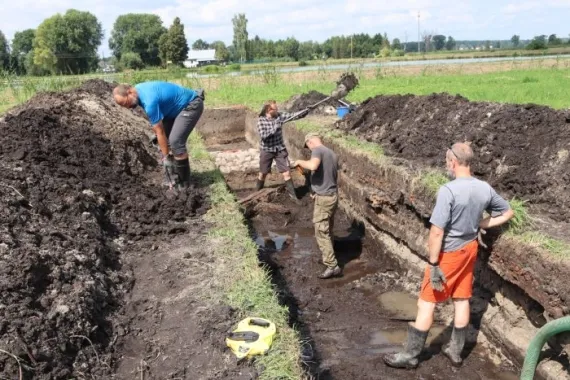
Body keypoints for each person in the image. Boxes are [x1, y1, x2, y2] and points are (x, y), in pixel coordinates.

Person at [383, 142, 514, 369]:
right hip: (470, 249)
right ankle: (455, 351)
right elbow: (508, 212)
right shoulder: (484, 188)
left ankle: (410, 355)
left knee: (426, 302)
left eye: (447, 161)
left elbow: (437, 231)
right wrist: (482, 222)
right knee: (462, 298)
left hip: (449, 254)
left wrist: (434, 263)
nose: (447, 165)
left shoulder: (449, 190)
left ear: (453, 162)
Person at [113, 81, 205, 189]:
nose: (127, 107)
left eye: (125, 103)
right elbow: (159, 129)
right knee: (164, 142)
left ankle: (184, 183)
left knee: (175, 141)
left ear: (130, 92)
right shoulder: (138, 92)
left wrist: (165, 158)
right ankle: (173, 178)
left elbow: (159, 130)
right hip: (174, 110)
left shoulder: (149, 101)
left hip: (191, 104)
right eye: (123, 106)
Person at [293, 133, 341, 279]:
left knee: (321, 231)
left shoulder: (318, 150)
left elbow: (313, 165)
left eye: (307, 145)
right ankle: (330, 257)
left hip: (324, 198)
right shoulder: (331, 153)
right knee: (328, 229)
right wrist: (316, 190)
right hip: (331, 195)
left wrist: (299, 162)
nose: (308, 148)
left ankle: (332, 266)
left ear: (310, 142)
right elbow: (327, 175)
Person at [256, 100, 310, 200]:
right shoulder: (261, 121)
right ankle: (257, 194)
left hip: (279, 149)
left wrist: (306, 111)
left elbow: (293, 115)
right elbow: (264, 136)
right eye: (275, 109)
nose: (277, 110)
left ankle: (293, 197)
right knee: (263, 173)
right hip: (267, 149)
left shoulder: (279, 116)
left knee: (287, 172)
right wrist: (275, 128)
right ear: (269, 110)